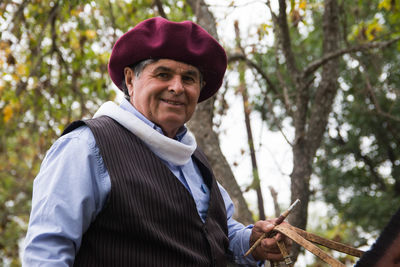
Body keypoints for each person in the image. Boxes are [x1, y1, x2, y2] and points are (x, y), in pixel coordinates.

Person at [23, 17, 291, 266]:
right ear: (130, 80)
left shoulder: (194, 160)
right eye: (163, 74)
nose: (177, 87)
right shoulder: (86, 147)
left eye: (189, 78)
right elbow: (46, 253)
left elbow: (218, 235)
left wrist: (254, 242)